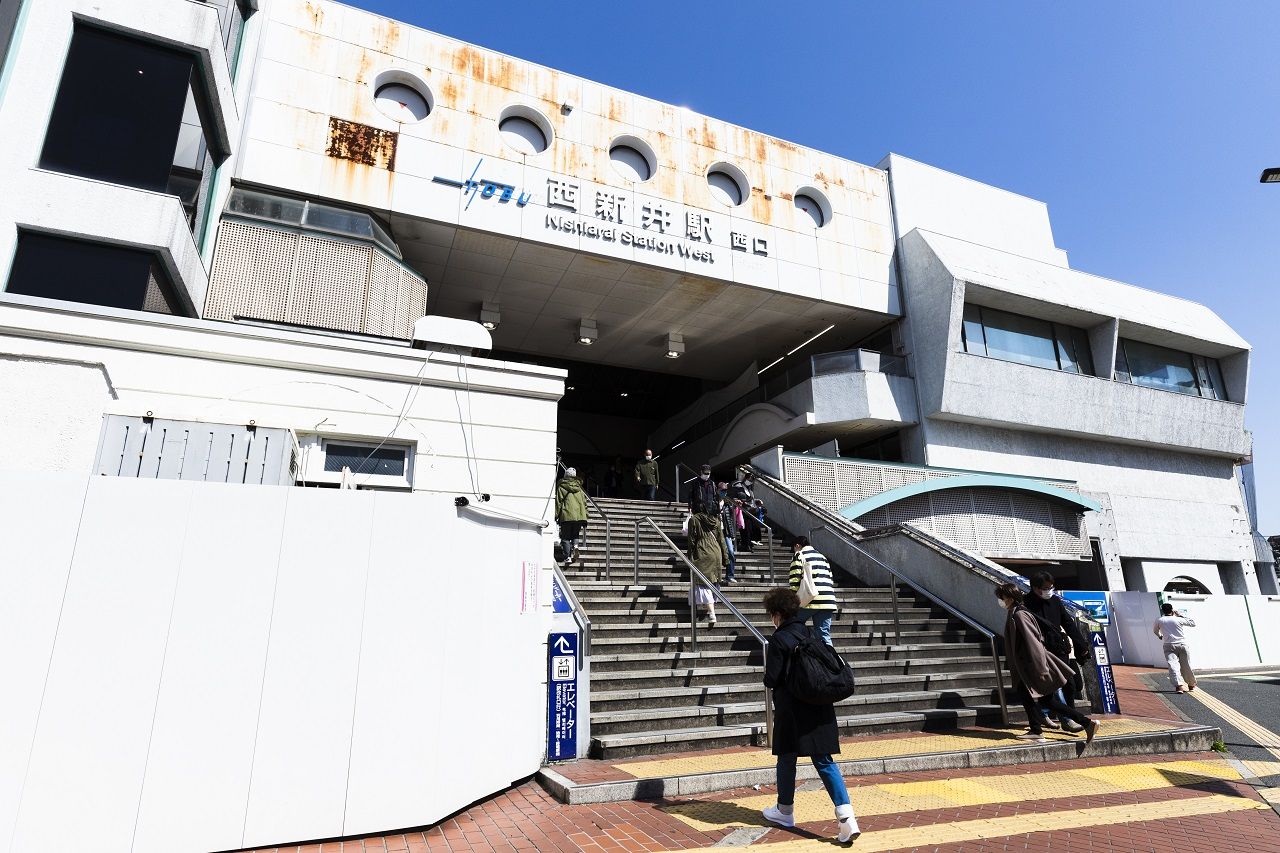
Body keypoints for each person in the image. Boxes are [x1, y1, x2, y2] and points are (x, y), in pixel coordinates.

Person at [760, 587, 860, 843]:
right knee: (824, 760)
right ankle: (847, 818)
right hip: (819, 706)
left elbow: (772, 679)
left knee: (786, 758)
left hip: (791, 710)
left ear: (777, 614)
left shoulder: (779, 639)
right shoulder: (812, 634)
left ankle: (784, 810)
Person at [995, 583, 1097, 743]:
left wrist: (1041, 668)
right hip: (1025, 666)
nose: (1000, 601)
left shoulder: (1019, 615)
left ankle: (1038, 730)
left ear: (1010, 598)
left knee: (1034, 697)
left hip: (1029, 667)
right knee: (1045, 700)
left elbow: (1033, 642)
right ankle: (1085, 723)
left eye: (1002, 597)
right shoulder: (1015, 612)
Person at [1023, 571, 1089, 733]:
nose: (1049, 591)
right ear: (1035, 588)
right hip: (1041, 651)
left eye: (1051, 587)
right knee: (1053, 686)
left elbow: (1068, 623)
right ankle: (1066, 719)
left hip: (1059, 649)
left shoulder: (1055, 601)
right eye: (1045, 588)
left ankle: (1060, 716)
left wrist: (1081, 644)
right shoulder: (1025, 604)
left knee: (1069, 685)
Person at [788, 537, 838, 647]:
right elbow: (830, 578)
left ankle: (795, 652)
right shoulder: (823, 557)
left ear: (797, 545)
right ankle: (830, 657)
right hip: (828, 600)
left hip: (809, 599)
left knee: (791, 625)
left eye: (794, 548)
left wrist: (792, 601)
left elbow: (794, 580)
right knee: (824, 635)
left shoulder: (799, 555)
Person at [687, 510, 728, 623]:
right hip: (716, 552)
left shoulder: (693, 520)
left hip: (702, 552)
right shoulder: (716, 520)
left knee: (702, 583)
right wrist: (725, 558)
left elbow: (691, 540)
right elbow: (722, 540)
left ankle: (712, 613)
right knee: (713, 581)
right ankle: (708, 606)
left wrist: (689, 556)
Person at [1153, 602, 1197, 693]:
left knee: (1173, 666)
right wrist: (1179, 615)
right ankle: (1191, 685)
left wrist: (1160, 636)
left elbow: (1155, 631)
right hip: (1182, 645)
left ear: (1163, 611)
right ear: (1172, 610)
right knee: (1186, 665)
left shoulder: (1159, 620)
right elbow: (1193, 623)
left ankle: (1179, 686)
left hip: (1168, 645)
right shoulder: (1178, 619)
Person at [554, 467, 588, 562]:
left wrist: (556, 515)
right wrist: (586, 516)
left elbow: (558, 502)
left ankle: (567, 557)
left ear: (565, 475)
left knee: (565, 537)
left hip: (566, 515)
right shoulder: (579, 488)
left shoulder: (562, 487)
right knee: (575, 535)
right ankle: (576, 546)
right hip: (578, 516)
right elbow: (584, 503)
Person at [717, 484, 738, 583]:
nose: (724, 492)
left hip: (726, 531)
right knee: (716, 553)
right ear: (717, 490)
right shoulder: (713, 501)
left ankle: (730, 575)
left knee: (730, 552)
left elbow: (729, 519)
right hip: (716, 531)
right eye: (722, 490)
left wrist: (732, 534)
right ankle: (717, 575)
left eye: (725, 491)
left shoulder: (727, 503)